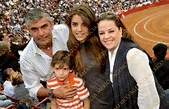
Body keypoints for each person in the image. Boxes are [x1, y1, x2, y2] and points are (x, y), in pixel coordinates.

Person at [96, 12, 168, 109]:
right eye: (102, 33)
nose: (106, 36)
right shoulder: (109, 53)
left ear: (121, 31)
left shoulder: (133, 55)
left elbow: (148, 95)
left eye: (111, 31)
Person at [20, 8, 76, 102]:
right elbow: (33, 88)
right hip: (59, 100)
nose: (41, 33)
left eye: (44, 26)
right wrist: (53, 92)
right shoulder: (26, 58)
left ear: (52, 24)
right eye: (34, 29)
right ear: (28, 31)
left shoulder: (64, 31)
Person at [65, 4, 113, 109]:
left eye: (84, 24)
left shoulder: (102, 41)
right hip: (92, 104)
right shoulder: (71, 45)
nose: (79, 29)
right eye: (75, 24)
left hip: (114, 101)